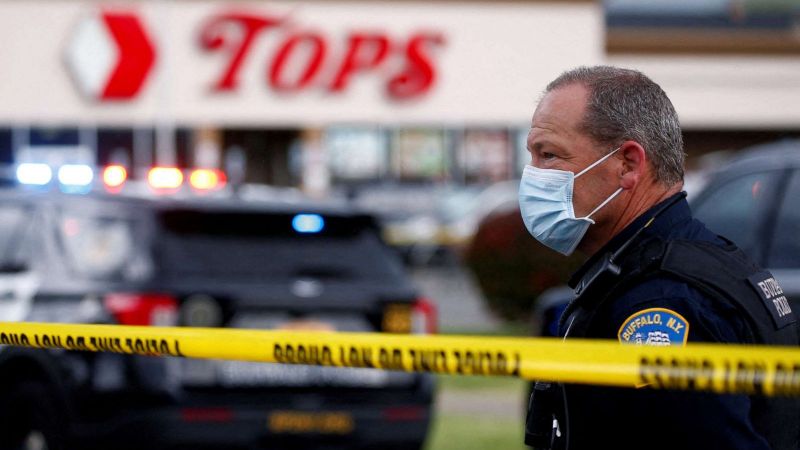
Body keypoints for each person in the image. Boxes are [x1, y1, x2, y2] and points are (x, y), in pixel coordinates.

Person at [518, 66, 800, 450]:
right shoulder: (666, 269)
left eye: (549, 155)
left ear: (628, 165)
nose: (532, 176)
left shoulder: (665, 302)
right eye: (532, 156)